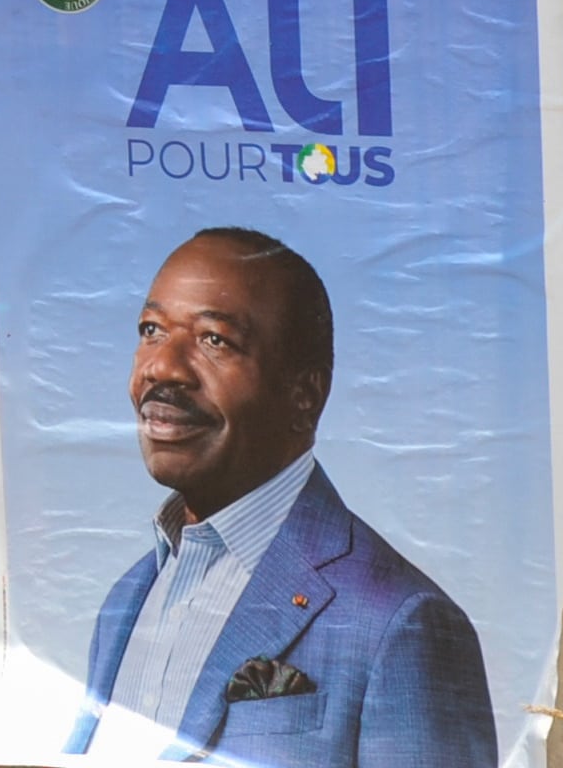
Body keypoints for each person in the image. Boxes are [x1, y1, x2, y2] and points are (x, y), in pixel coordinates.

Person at [72, 231, 488, 768]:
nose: (162, 367)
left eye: (214, 339)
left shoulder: (399, 622)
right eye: (151, 330)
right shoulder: (126, 600)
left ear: (304, 395)